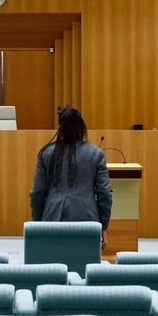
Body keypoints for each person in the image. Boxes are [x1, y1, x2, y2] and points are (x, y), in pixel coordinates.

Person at [30, 106, 112, 248]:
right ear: (81, 127)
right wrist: (103, 226)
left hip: (52, 220)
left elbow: (37, 192)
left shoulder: (46, 153)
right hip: (88, 222)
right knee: (85, 267)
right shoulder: (96, 154)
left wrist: (39, 224)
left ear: (60, 128)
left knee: (53, 268)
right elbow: (104, 193)